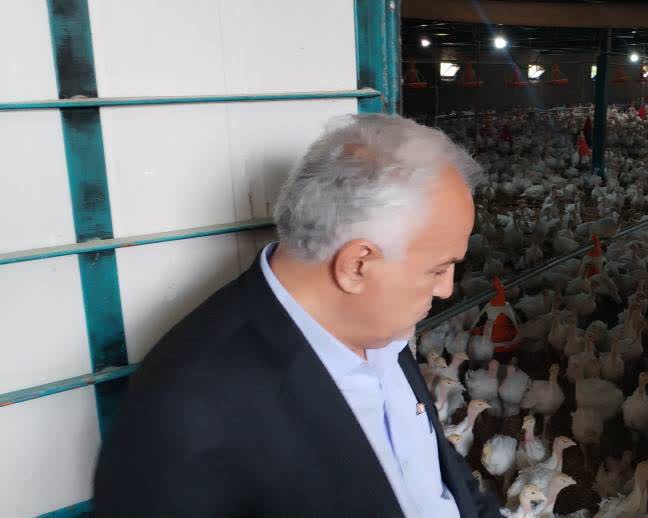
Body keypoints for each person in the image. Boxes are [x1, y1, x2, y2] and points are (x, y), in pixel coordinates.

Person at [93, 115, 500, 517]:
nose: (446, 289)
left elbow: (441, 479)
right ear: (357, 266)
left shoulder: (378, 330)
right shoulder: (185, 411)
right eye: (438, 269)